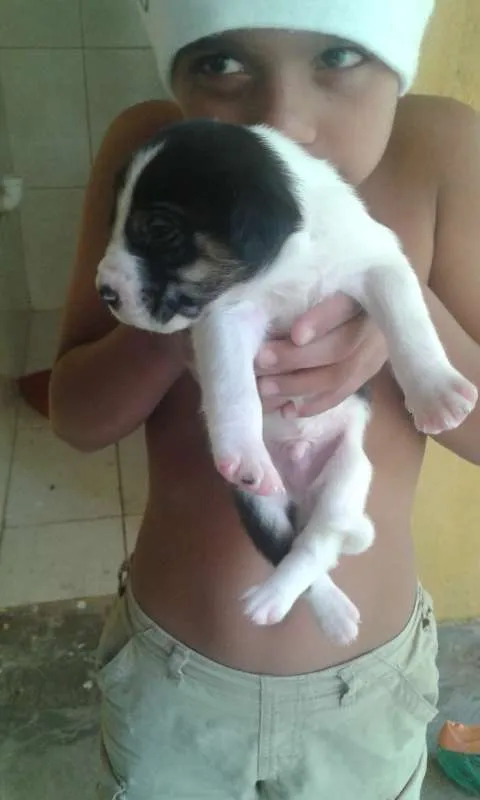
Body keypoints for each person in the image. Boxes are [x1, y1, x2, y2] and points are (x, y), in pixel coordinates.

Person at [49, 1, 480, 797]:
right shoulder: (153, 150)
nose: (282, 118)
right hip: (175, 681)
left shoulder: (440, 149)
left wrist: (400, 314)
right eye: (220, 63)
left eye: (339, 56)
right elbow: (74, 416)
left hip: (366, 688)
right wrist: (174, 325)